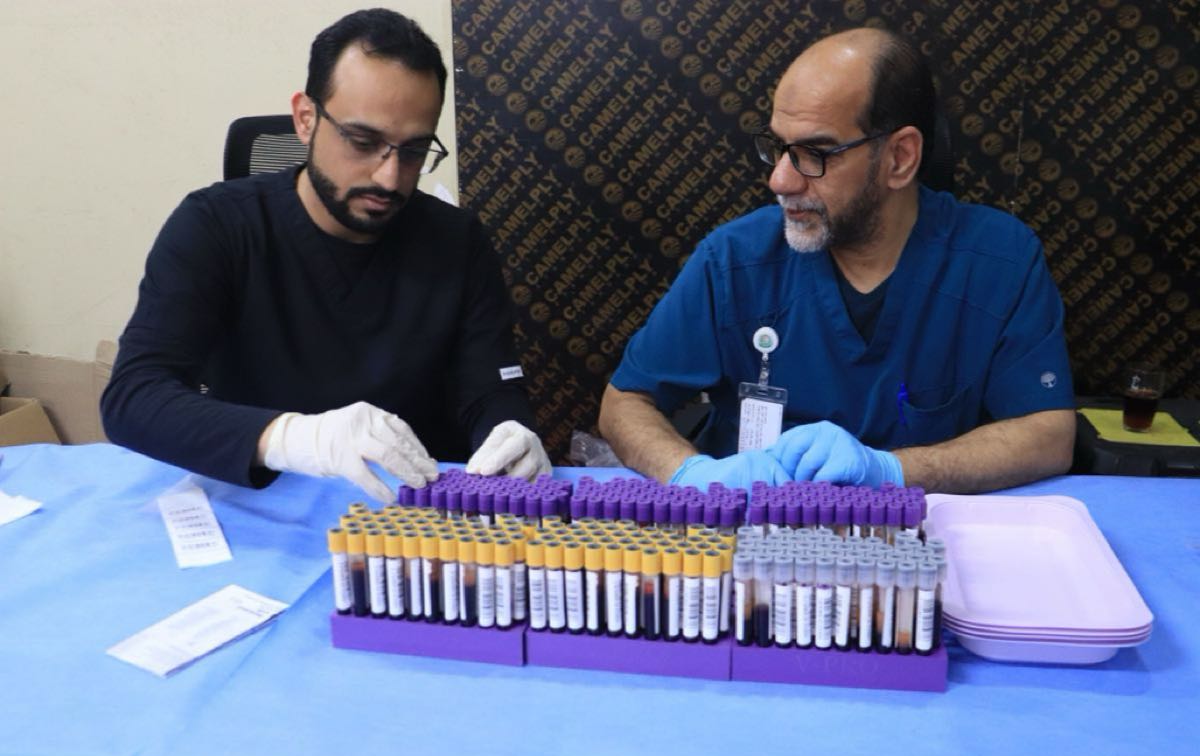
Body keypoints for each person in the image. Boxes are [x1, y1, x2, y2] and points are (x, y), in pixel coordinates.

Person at [598, 27, 1076, 494]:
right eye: (778, 147)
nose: (780, 180)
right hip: (750, 524)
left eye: (815, 153)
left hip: (912, 534)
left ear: (899, 158)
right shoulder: (734, 259)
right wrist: (690, 473)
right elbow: (625, 402)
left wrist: (892, 471)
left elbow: (1049, 435)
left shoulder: (998, 259)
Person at [101, 9, 549, 503]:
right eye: (363, 141)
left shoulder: (457, 241)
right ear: (306, 119)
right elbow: (134, 397)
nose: (389, 177)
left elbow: (490, 390)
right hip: (267, 500)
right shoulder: (217, 227)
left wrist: (510, 432)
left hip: (413, 508)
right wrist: (295, 438)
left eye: (414, 150)